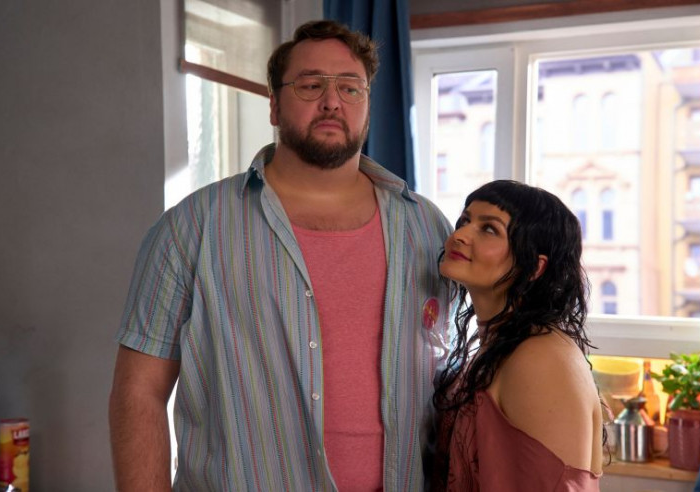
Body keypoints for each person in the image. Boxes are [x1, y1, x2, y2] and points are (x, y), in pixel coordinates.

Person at [108, 20, 452, 491]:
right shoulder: (191, 228)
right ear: (273, 104)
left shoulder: (427, 227)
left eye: (350, 87)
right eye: (310, 85)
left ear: (367, 104)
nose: (332, 101)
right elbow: (139, 393)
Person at [428, 180, 603, 491]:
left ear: (534, 267)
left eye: (489, 229)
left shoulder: (540, 358)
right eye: (465, 220)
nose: (459, 235)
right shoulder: (501, 345)